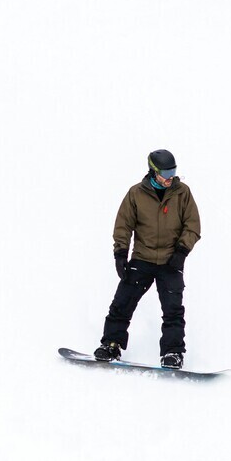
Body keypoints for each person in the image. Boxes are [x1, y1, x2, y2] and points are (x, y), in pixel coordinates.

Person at [94, 150, 201, 369]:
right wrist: (120, 254)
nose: (170, 176)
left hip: (171, 261)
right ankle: (111, 344)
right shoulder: (136, 194)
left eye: (173, 171)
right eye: (166, 172)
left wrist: (181, 252)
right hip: (142, 258)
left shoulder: (182, 193)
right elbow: (123, 225)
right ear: (154, 171)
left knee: (173, 310)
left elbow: (193, 225)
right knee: (122, 304)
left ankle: (173, 353)